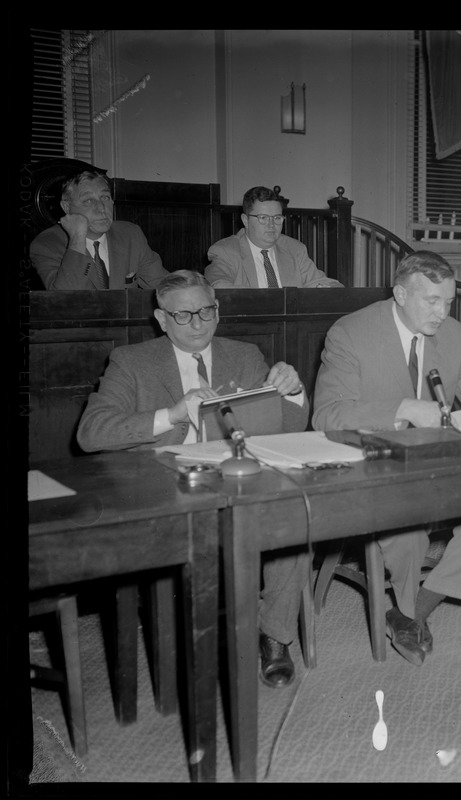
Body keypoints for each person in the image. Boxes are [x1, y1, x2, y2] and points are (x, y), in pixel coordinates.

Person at [312, 251, 461, 665]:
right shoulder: (350, 333)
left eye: (448, 302)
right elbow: (327, 414)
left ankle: (413, 609)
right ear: (400, 293)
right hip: (376, 460)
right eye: (431, 301)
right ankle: (410, 612)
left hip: (435, 457)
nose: (442, 312)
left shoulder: (453, 334)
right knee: (408, 522)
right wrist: (403, 408)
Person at [76, 270, 311, 689]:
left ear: (217, 311)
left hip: (238, 479)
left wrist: (292, 390)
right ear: (161, 319)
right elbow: (91, 433)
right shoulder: (132, 362)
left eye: (205, 310)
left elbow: (285, 425)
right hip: (167, 485)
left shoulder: (244, 354)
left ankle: (275, 636)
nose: (198, 322)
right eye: (183, 315)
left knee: (293, 515)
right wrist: (172, 414)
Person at [30, 171, 168, 290]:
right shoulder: (47, 244)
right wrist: (77, 238)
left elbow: (165, 285)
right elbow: (65, 301)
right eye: (89, 201)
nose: (102, 208)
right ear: (66, 207)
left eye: (105, 197)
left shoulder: (130, 234)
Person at [205, 186, 344, 288]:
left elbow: (326, 284)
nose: (271, 225)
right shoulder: (226, 251)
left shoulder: (295, 249)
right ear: (245, 220)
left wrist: (327, 290)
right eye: (263, 218)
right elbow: (217, 286)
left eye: (277, 218)